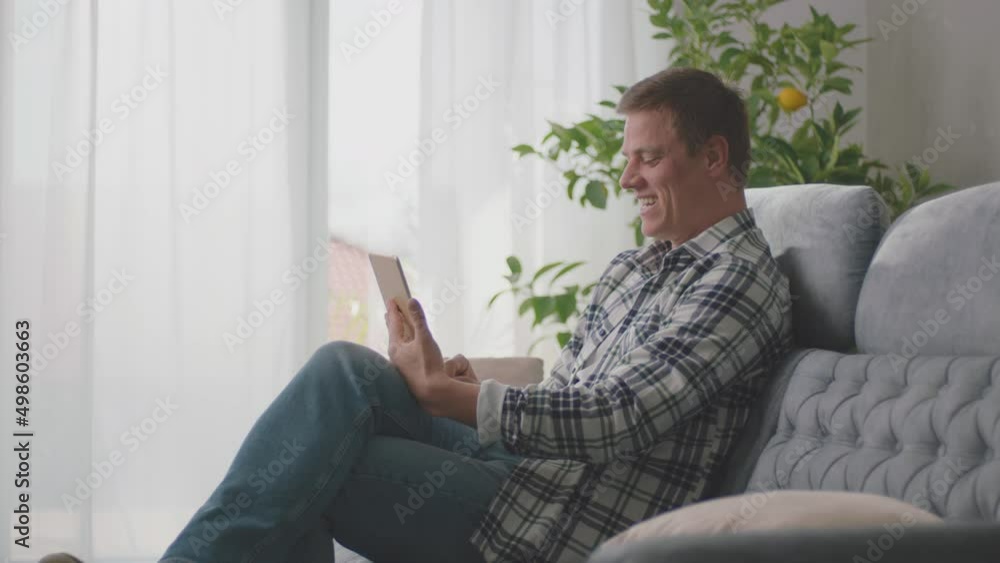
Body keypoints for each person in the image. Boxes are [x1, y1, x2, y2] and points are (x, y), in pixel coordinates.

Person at [148, 67, 792, 563]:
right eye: (627, 160)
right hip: (525, 468)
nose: (627, 179)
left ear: (712, 158)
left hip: (566, 516)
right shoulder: (636, 267)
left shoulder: (737, 281)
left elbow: (616, 418)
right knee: (342, 367)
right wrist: (457, 385)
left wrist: (455, 400)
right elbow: (568, 395)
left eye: (647, 158)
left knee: (316, 465)